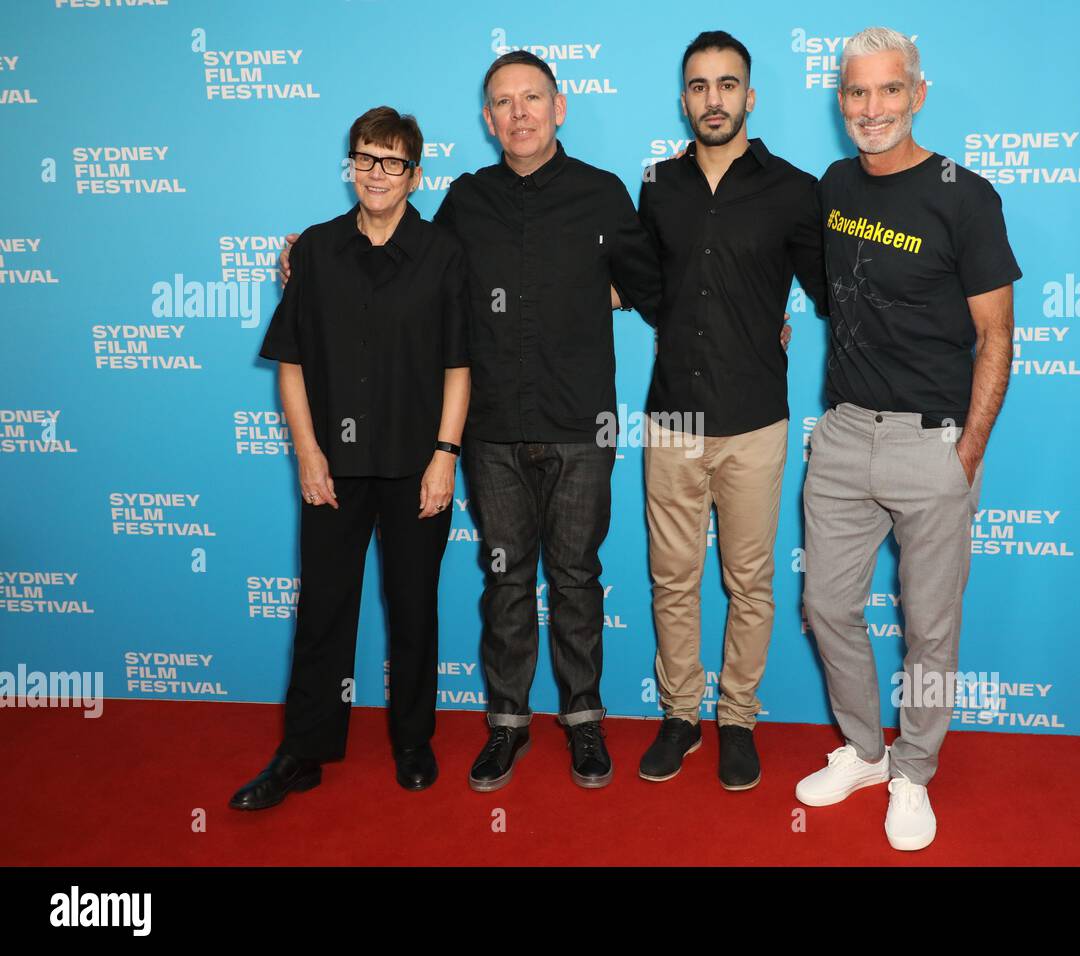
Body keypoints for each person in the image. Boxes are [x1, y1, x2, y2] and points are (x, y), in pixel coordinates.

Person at [283, 53, 661, 791]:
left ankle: (583, 722)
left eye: (531, 99)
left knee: (577, 578)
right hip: (486, 430)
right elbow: (404, 266)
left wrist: (749, 314)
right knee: (506, 579)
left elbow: (655, 289)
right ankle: (507, 727)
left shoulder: (603, 195)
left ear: (559, 107)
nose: (518, 113)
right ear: (488, 120)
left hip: (582, 426)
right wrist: (308, 260)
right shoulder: (465, 203)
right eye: (502, 102)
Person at [796, 28, 1021, 850]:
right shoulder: (832, 186)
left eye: (889, 91)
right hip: (846, 433)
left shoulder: (965, 196)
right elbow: (831, 293)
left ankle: (914, 771)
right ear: (841, 102)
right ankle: (863, 751)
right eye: (857, 93)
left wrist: (967, 453)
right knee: (826, 605)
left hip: (935, 442)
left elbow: (996, 337)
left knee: (929, 627)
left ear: (917, 95)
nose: (872, 108)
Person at [231, 106, 471, 810]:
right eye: (365, 158)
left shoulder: (443, 254)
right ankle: (303, 752)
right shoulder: (315, 251)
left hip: (414, 463)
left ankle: (412, 740)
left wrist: (445, 456)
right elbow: (293, 362)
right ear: (351, 164)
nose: (376, 173)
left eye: (392, 162)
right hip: (332, 466)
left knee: (414, 608)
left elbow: (460, 367)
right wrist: (307, 454)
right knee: (324, 608)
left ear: (415, 174)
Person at [633, 31, 827, 791]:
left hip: (755, 417)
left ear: (750, 96)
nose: (712, 99)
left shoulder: (794, 188)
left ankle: (738, 719)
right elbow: (635, 284)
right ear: (684, 98)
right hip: (672, 416)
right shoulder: (655, 184)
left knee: (750, 582)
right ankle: (681, 714)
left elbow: (834, 288)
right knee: (672, 580)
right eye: (698, 85)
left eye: (727, 84)